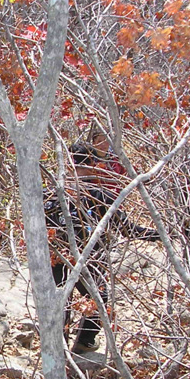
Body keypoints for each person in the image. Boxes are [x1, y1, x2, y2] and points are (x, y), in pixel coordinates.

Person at [45, 142, 159, 354]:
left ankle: (57, 346)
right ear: (91, 164)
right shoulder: (98, 195)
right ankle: (84, 340)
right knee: (98, 298)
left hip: (53, 256)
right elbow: (127, 229)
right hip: (88, 258)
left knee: (59, 301)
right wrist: (159, 234)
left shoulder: (49, 194)